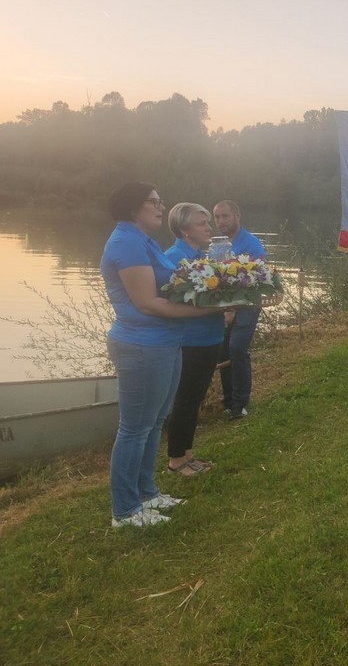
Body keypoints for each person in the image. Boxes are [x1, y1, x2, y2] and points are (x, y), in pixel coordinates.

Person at [101, 182, 222, 527]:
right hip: (141, 345)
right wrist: (209, 311)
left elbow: (172, 290)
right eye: (153, 202)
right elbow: (148, 303)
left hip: (165, 341)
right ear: (132, 207)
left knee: (153, 423)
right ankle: (124, 511)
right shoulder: (126, 243)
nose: (160, 207)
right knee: (134, 428)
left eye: (160, 201)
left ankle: (147, 494)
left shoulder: (145, 241)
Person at [164, 203, 228, 477]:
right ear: (184, 229)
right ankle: (176, 459)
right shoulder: (175, 258)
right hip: (191, 340)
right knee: (185, 399)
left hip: (210, 336)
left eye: (207, 222)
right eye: (202, 223)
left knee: (196, 398)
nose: (208, 227)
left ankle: (188, 454)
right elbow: (178, 301)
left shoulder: (202, 255)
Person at [213, 200, 266, 420]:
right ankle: (228, 400)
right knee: (223, 352)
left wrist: (233, 307)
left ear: (237, 216)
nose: (220, 221)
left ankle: (240, 404)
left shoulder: (251, 244)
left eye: (225, 216)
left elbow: (255, 280)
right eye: (216, 217)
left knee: (237, 350)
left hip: (247, 306)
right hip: (224, 308)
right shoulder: (218, 245)